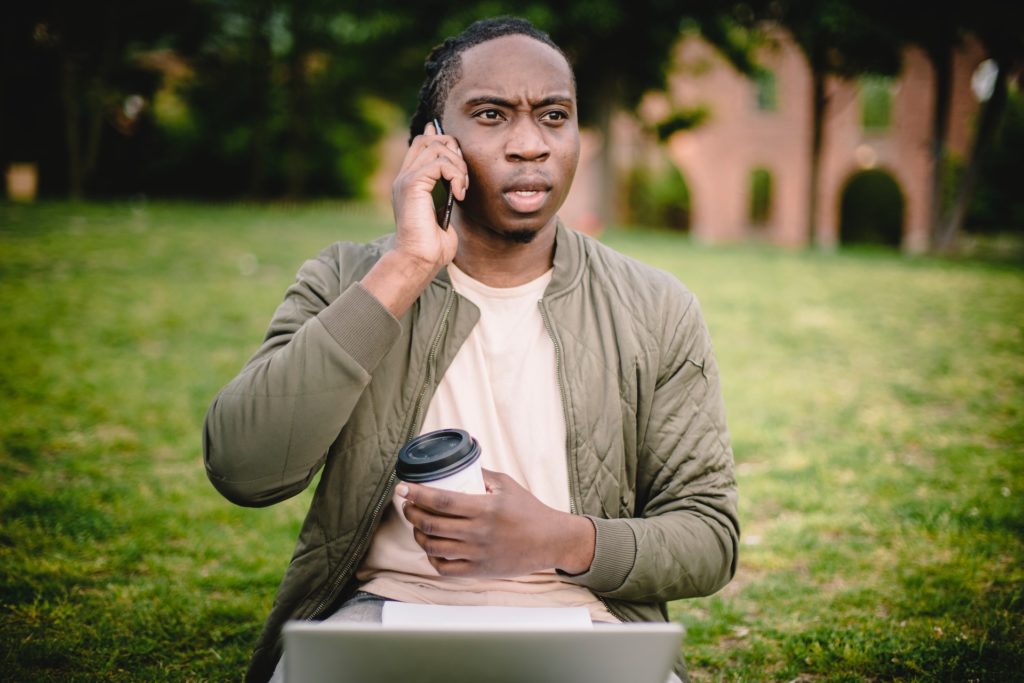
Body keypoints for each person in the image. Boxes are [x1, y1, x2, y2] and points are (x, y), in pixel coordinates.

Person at [203, 16, 738, 683]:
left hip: (589, 625)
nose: (528, 145)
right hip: (383, 617)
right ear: (433, 145)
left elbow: (710, 534)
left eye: (553, 116)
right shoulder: (348, 279)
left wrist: (558, 537)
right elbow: (243, 467)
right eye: (492, 114)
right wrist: (404, 268)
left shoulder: (656, 307)